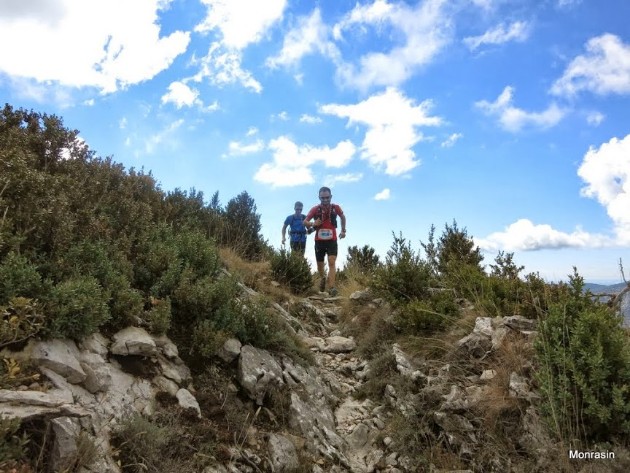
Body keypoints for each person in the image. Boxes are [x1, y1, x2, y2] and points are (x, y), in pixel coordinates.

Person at [304, 187, 346, 296]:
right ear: (319, 198)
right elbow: (305, 221)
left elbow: (343, 217)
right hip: (319, 241)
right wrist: (313, 224)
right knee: (320, 265)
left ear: (331, 197)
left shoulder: (336, 208)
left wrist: (343, 230)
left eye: (327, 197)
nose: (325, 200)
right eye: (323, 198)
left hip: (332, 240)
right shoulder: (315, 209)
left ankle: (332, 288)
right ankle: (322, 278)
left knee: (332, 262)